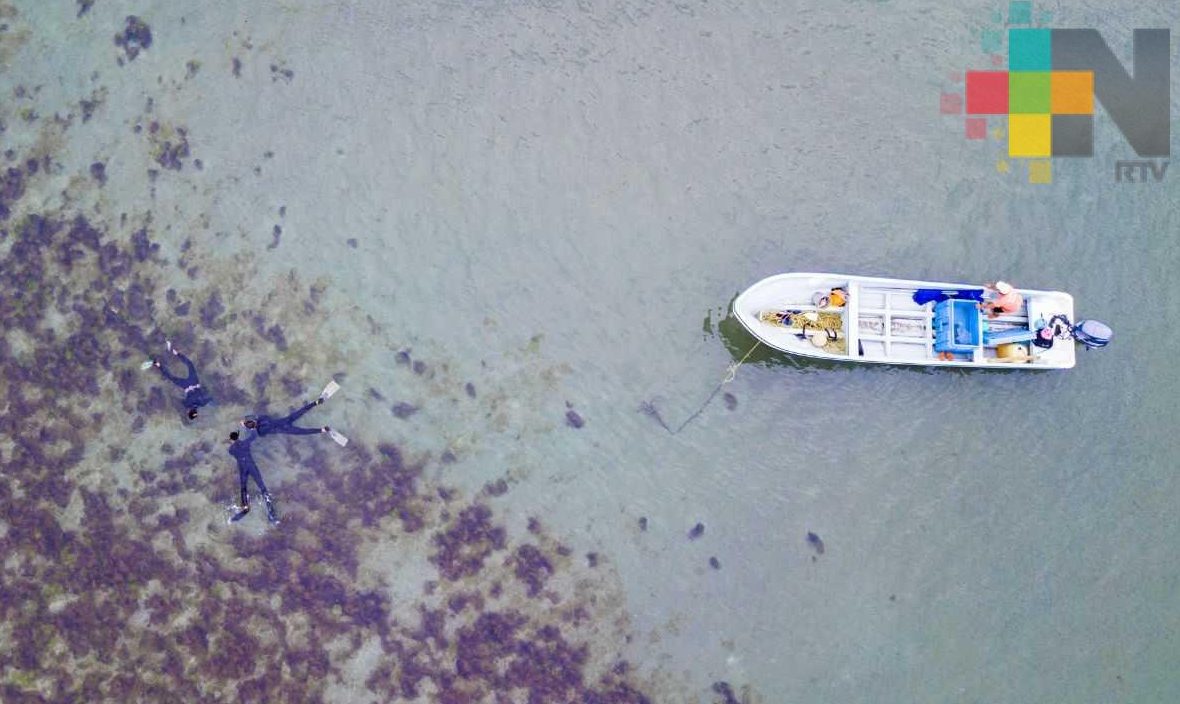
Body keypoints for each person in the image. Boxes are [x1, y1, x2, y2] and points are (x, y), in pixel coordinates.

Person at [227, 428, 279, 525]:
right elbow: (254, 435)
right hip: (252, 467)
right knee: (262, 486)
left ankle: (245, 507)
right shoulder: (245, 443)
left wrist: (233, 443)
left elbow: (233, 451)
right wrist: (250, 427)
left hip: (243, 469)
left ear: (231, 439)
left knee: (243, 488)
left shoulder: (231, 449)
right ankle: (272, 513)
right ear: (238, 437)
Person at [152, 340, 213, 420]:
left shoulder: (202, 403)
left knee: (190, 364)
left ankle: (175, 352)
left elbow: (210, 398)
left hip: (194, 382)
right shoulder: (187, 405)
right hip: (186, 386)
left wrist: (209, 399)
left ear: (196, 411)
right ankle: (158, 364)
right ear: (189, 411)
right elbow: (180, 401)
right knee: (171, 377)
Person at [243, 398, 330, 438]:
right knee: (301, 411)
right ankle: (316, 402)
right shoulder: (261, 419)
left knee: (304, 432)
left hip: (286, 429)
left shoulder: (260, 431)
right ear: (253, 421)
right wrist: (245, 422)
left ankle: (322, 430)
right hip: (285, 420)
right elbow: (265, 417)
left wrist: (247, 426)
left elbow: (261, 435)